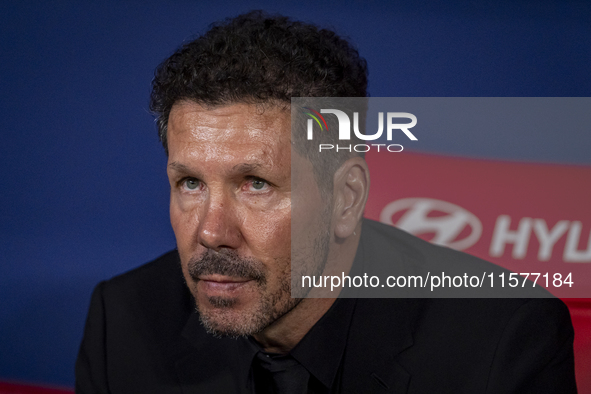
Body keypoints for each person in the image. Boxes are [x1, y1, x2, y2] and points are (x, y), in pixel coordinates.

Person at [75, 11, 577, 393]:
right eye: (190, 183)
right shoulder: (122, 323)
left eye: (255, 184)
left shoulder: (502, 343)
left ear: (346, 197)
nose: (210, 231)